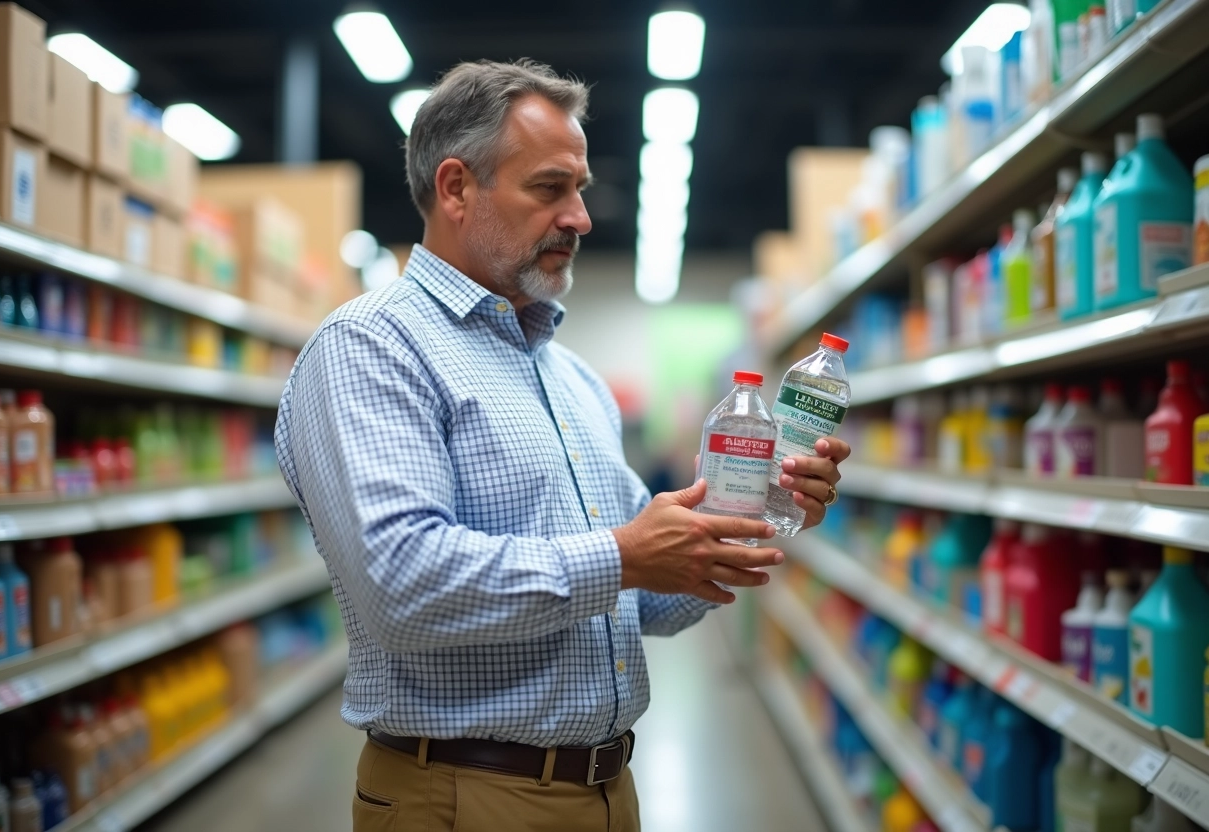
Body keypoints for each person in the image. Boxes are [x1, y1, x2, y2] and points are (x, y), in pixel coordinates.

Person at [274, 58, 850, 832]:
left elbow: (636, 601)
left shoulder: (570, 377)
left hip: (608, 790)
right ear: (455, 189)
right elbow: (399, 585)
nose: (579, 216)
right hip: (460, 794)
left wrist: (756, 516)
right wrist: (621, 553)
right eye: (549, 189)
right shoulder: (371, 348)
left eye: (579, 190)